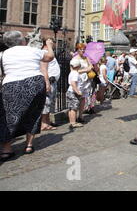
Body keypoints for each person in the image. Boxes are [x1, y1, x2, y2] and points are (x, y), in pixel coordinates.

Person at [0, 31, 55, 161]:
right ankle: (29, 145)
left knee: (9, 117)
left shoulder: (3, 55)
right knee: (34, 114)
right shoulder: (31, 50)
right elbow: (49, 57)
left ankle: (6, 149)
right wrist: (49, 45)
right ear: (22, 41)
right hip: (34, 82)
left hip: (11, 85)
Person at [40, 38, 60, 131]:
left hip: (53, 81)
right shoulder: (45, 53)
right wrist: (47, 82)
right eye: (52, 42)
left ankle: (47, 122)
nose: (54, 44)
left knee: (49, 103)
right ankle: (43, 123)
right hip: (49, 81)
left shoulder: (49, 53)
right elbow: (44, 69)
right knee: (46, 102)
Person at [72, 43, 93, 122]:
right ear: (77, 50)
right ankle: (75, 116)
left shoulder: (86, 58)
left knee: (83, 98)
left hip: (86, 80)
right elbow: (73, 71)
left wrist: (89, 65)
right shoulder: (75, 59)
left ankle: (80, 116)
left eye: (84, 49)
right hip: (78, 80)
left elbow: (91, 66)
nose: (83, 50)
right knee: (77, 98)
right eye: (81, 49)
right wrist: (85, 70)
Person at [66, 58, 84, 129]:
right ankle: (73, 122)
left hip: (70, 91)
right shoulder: (75, 73)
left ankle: (71, 121)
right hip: (73, 92)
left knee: (71, 107)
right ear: (78, 66)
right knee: (74, 108)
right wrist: (77, 92)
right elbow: (73, 83)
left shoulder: (72, 72)